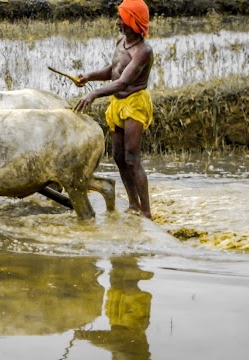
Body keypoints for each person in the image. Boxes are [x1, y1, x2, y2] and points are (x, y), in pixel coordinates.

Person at [73, 0, 154, 219]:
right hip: (117, 103)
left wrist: (93, 94)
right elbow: (114, 70)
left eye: (121, 17)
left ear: (132, 21)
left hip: (134, 103)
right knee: (118, 156)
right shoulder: (121, 42)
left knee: (131, 157)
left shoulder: (143, 51)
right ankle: (133, 204)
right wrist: (89, 76)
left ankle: (146, 212)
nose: (117, 21)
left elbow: (123, 82)